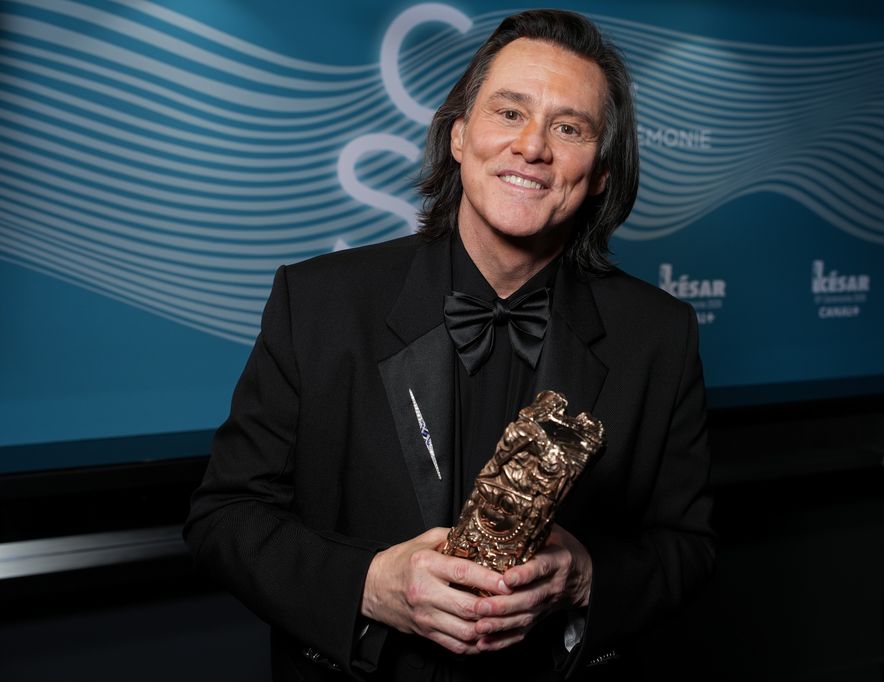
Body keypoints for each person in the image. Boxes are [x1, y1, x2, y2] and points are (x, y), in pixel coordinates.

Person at [184, 9, 714, 681]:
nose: (533, 147)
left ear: (601, 173)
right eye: (510, 113)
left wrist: (582, 577)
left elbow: (689, 548)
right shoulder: (317, 302)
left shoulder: (659, 334)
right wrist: (371, 584)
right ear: (460, 136)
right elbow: (222, 518)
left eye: (569, 127)